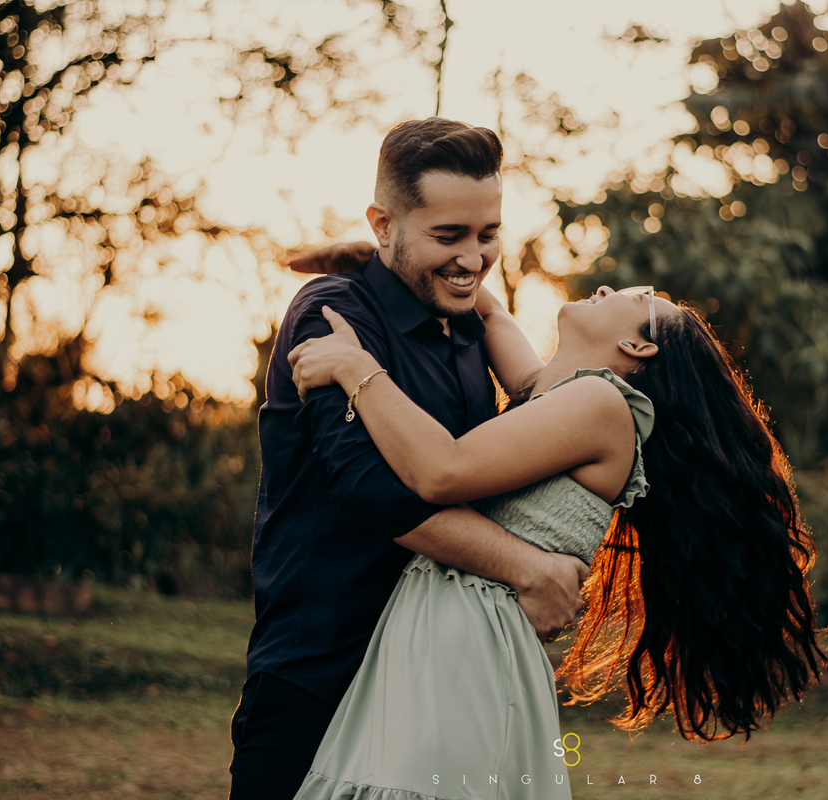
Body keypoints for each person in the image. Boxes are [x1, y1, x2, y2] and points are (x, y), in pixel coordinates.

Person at [285, 266, 828, 797]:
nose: (607, 288)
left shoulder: (603, 407)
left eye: (636, 298)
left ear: (638, 348)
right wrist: (396, 264)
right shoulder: (560, 397)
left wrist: (355, 368)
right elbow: (492, 312)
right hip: (445, 624)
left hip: (468, 639)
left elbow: (440, 470)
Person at [228, 118, 590, 800]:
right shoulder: (333, 315)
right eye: (448, 236)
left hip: (439, 679)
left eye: (488, 235)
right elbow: (372, 491)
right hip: (324, 669)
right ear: (383, 224)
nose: (473, 258)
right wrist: (526, 566)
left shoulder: (466, 328)